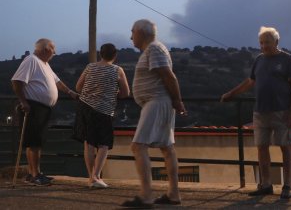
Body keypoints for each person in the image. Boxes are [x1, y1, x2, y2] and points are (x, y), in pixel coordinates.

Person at [221, 26, 291, 200]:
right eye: (261, 43)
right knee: (262, 148)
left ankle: (287, 185)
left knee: (285, 148)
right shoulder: (259, 60)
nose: (264, 46)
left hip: (282, 111)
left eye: (267, 42)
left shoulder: (287, 59)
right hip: (260, 112)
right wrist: (231, 94)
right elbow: (250, 82)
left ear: (276, 42)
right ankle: (266, 184)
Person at [121, 19, 187, 208]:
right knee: (167, 148)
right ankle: (173, 195)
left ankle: (146, 195)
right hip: (157, 102)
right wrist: (175, 101)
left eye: (132, 31)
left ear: (141, 32)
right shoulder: (154, 49)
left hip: (157, 102)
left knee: (138, 146)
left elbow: (168, 75)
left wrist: (177, 100)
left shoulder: (154, 49)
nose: (130, 36)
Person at [11, 38, 77, 186]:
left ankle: (32, 173)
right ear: (46, 49)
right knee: (34, 142)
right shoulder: (31, 60)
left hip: (42, 108)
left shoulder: (45, 64)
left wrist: (70, 92)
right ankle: (35, 175)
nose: (55, 53)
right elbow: (16, 81)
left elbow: (57, 81)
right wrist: (23, 102)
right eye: (53, 49)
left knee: (36, 141)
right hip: (33, 106)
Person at [73, 43, 130, 188]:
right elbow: (125, 93)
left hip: (84, 107)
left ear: (100, 54)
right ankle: (96, 176)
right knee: (104, 143)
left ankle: (90, 177)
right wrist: (112, 92)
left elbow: (78, 87)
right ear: (115, 55)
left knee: (89, 142)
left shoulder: (90, 67)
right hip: (103, 109)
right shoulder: (117, 70)